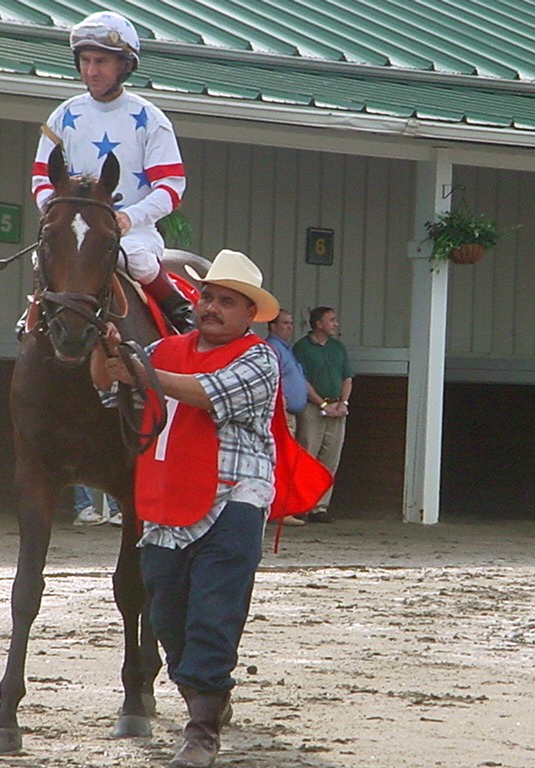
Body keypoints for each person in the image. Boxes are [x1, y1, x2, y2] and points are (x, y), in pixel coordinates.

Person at [91, 248, 281, 768]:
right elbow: (113, 394)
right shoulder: (166, 349)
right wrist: (102, 350)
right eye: (208, 297)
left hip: (235, 500)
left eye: (227, 301)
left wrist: (137, 371)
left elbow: (203, 393)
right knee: (169, 618)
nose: (212, 307)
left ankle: (201, 731)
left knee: (213, 616)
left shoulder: (259, 357)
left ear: (249, 315)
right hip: (166, 502)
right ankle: (208, 696)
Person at [31, 11, 193, 333]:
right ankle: (33, 321)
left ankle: (182, 318)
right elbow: (41, 178)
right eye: (85, 60)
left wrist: (129, 218)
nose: (91, 71)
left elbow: (171, 187)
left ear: (124, 65)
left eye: (101, 62)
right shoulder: (63, 115)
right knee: (47, 260)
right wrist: (56, 213)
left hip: (133, 232)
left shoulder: (150, 118)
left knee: (138, 260)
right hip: (76, 230)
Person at [292, 306, 353, 523]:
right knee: (308, 455)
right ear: (319, 324)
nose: (336, 324)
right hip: (313, 408)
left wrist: (343, 403)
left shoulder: (338, 348)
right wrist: (322, 403)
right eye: (332, 320)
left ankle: (320, 506)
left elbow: (347, 377)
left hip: (337, 407)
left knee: (330, 458)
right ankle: (302, 505)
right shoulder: (302, 348)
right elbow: (302, 380)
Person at [265, 309, 308, 526]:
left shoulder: (286, 349)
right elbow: (272, 377)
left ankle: (284, 506)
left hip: (292, 412)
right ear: (273, 326)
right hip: (281, 414)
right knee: (280, 459)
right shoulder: (272, 348)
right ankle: (278, 509)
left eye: (291, 323)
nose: (289, 327)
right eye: (285, 323)